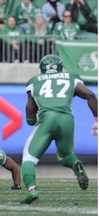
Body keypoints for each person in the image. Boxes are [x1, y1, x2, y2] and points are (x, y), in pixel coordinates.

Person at [20, 54, 98, 204]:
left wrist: (31, 120)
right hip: (67, 119)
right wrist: (97, 120)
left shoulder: (34, 81)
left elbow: (30, 106)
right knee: (65, 155)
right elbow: (90, 95)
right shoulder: (71, 76)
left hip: (47, 118)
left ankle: (32, 189)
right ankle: (76, 165)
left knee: (28, 159)